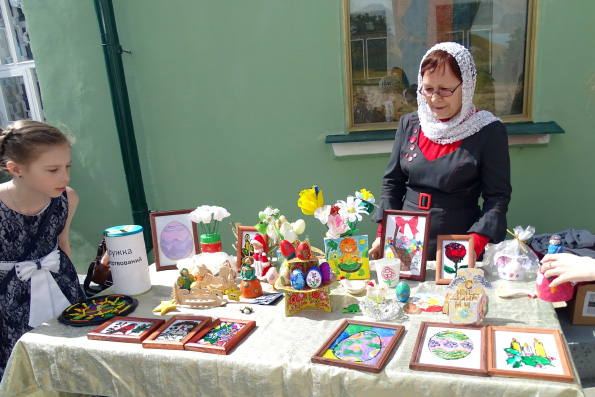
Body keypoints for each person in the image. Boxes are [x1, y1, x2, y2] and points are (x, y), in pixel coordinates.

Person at [369, 42, 511, 261]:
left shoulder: (488, 131)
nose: (434, 98)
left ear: (467, 85)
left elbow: (497, 199)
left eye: (445, 89)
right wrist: (382, 235)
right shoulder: (410, 124)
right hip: (405, 242)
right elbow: (392, 185)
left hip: (458, 246)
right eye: (428, 89)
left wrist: (474, 244)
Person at [0, 120, 85, 380]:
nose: (65, 176)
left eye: (67, 166)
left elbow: (62, 245)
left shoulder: (67, 198)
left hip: (62, 291)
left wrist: (75, 295)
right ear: (16, 169)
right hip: (9, 304)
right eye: (53, 169)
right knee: (26, 375)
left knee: (77, 367)